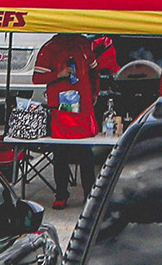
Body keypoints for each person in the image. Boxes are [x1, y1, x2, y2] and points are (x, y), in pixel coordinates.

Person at [33, 31, 118, 208]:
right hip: (61, 111)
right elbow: (37, 77)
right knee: (61, 154)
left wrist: (94, 93)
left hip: (83, 111)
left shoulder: (83, 45)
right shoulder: (50, 48)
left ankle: (90, 194)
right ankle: (61, 194)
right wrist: (58, 74)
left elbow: (95, 71)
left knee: (85, 154)